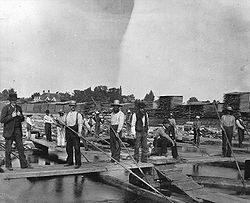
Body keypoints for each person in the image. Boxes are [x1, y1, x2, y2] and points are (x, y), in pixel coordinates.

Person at [0, 93, 33, 170]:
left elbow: (22, 119)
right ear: (10, 101)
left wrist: (20, 116)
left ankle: (24, 165)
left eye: (15, 100)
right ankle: (8, 166)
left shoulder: (19, 108)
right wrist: (12, 116)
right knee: (8, 149)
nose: (14, 102)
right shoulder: (6, 108)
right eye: (13, 100)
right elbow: (2, 120)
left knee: (21, 148)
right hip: (9, 132)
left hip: (18, 131)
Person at [64, 101, 83, 169]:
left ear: (75, 107)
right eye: (71, 106)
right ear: (70, 106)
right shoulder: (67, 114)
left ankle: (78, 163)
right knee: (68, 148)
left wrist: (79, 132)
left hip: (75, 133)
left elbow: (80, 124)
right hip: (68, 132)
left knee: (77, 148)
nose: (72, 107)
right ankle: (70, 162)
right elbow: (65, 123)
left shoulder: (78, 115)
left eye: (74, 106)